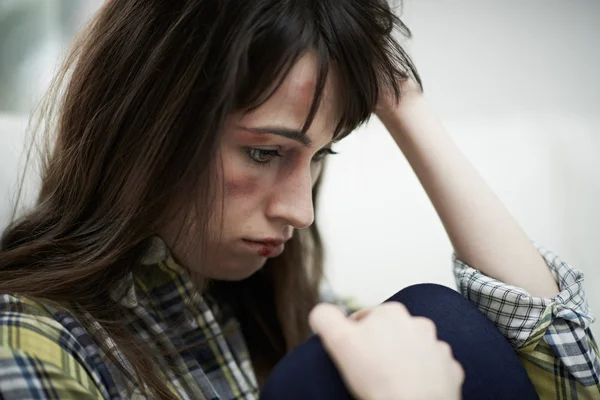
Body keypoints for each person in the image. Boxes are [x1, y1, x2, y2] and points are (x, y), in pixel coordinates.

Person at [0, 0, 597, 399]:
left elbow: (572, 383)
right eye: (264, 153)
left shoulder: (284, 308)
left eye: (318, 158)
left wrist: (409, 108)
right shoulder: (29, 339)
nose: (301, 212)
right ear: (148, 125)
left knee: (439, 322)